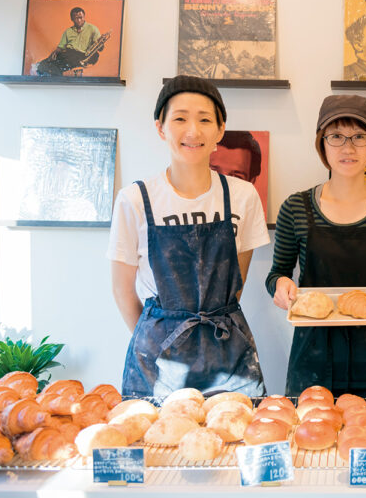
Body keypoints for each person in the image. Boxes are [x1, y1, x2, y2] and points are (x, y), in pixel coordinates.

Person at [107, 75, 268, 398]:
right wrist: (157, 337)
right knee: (157, 443)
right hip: (159, 358)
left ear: (220, 131)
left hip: (229, 351)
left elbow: (235, 287)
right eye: (180, 118)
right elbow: (123, 292)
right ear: (160, 127)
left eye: (205, 120)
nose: (193, 131)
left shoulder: (243, 196)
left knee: (235, 438)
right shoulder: (135, 199)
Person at [267, 94, 366, 397]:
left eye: (359, 136)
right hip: (313, 352)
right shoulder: (296, 207)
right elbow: (277, 273)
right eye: (336, 136)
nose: (348, 148)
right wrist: (281, 285)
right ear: (322, 144)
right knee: (312, 442)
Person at [36, 7, 107, 76]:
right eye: (76, 18)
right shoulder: (68, 31)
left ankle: (59, 76)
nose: (79, 20)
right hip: (69, 54)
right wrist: (53, 54)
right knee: (43, 64)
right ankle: (54, 72)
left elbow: (100, 49)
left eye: (81, 17)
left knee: (54, 66)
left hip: (83, 56)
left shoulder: (93, 29)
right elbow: (61, 47)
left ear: (84, 17)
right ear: (72, 19)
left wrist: (101, 42)